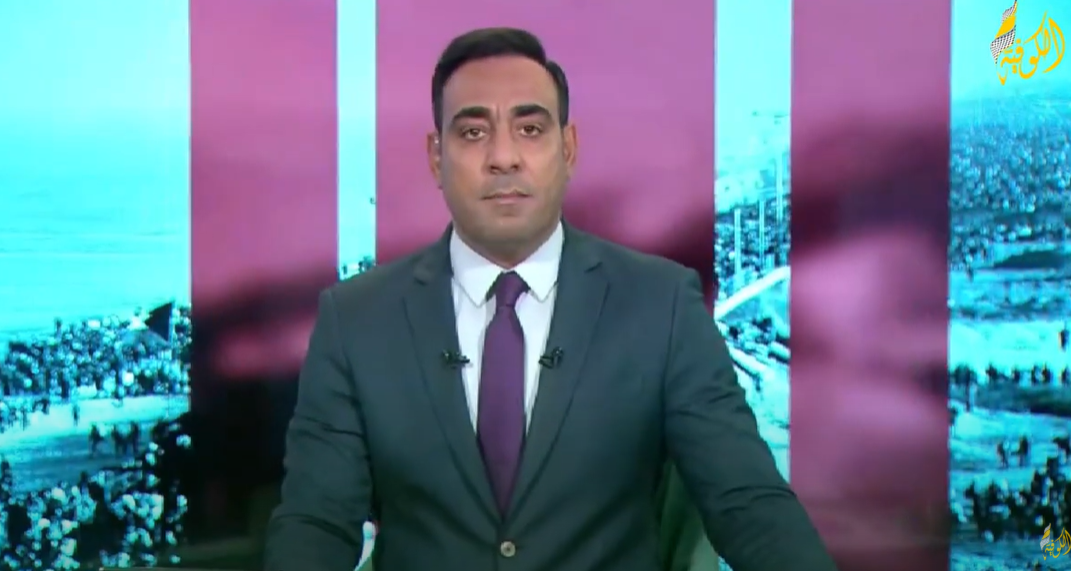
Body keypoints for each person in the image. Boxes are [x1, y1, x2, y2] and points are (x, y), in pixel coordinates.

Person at [265, 27, 835, 571]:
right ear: (437, 156)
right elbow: (317, 523)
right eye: (473, 132)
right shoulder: (357, 321)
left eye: (530, 129)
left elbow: (747, 503)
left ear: (568, 147)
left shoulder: (660, 305)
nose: (504, 156)